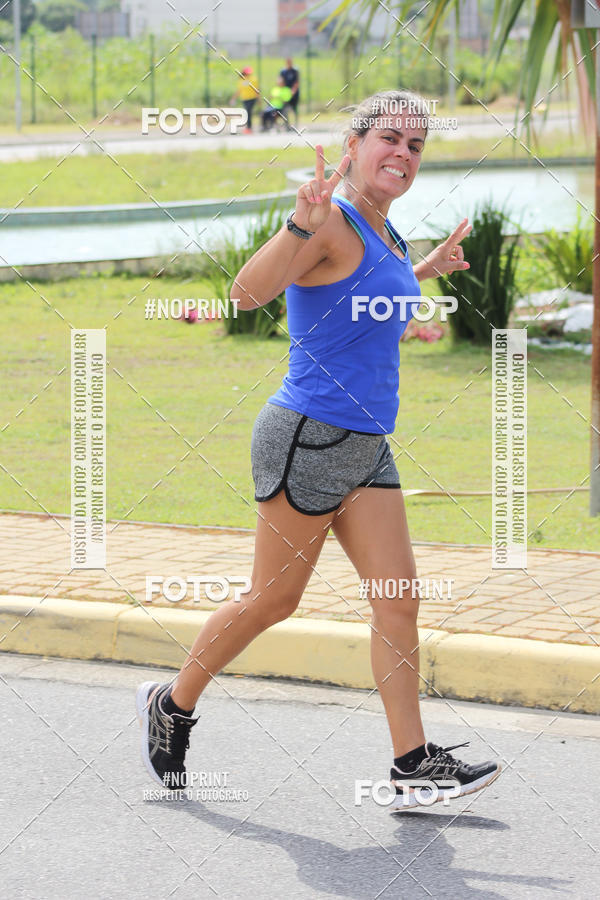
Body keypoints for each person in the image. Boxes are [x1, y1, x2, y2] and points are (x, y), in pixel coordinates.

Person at [136, 89, 502, 811]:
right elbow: (246, 294)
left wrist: (423, 270)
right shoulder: (330, 220)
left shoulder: (385, 231)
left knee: (398, 602)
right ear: (355, 145)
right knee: (273, 600)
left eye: (416, 146)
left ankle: (411, 762)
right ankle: (171, 705)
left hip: (365, 447)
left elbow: (361, 293)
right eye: (389, 139)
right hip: (306, 438)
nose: (402, 153)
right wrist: (297, 227)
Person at [230, 65, 259, 134]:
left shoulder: (254, 79)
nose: (249, 74)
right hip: (245, 99)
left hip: (252, 98)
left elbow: (257, 90)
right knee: (247, 113)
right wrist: (233, 99)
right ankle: (248, 127)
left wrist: (258, 99)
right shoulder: (241, 80)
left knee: (248, 112)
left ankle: (249, 128)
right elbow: (239, 90)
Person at [280, 56, 300, 126]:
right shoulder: (283, 71)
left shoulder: (295, 71)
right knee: (285, 110)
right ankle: (287, 125)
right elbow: (281, 81)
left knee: (294, 109)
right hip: (286, 94)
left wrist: (293, 91)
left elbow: (297, 82)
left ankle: (296, 124)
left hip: (294, 94)